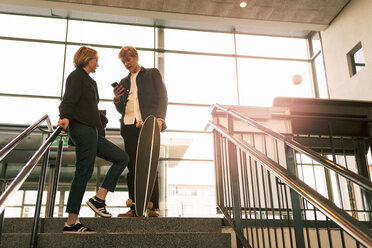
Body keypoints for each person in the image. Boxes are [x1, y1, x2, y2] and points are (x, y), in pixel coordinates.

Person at [58, 46, 129, 232]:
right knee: (84, 172)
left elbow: (88, 106)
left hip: (92, 131)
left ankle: (99, 198)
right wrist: (65, 116)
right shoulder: (76, 76)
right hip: (81, 128)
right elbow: (69, 99)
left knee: (122, 158)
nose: (97, 64)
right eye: (95, 60)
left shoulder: (90, 81)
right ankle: (71, 222)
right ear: (86, 59)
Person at [113, 46, 168, 217]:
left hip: (148, 124)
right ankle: (135, 207)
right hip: (128, 125)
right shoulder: (123, 81)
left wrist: (160, 118)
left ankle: (154, 207)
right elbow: (120, 108)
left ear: (136, 57)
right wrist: (116, 99)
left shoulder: (152, 73)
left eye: (128, 60)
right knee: (132, 166)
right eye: (123, 62)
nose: (126, 64)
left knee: (150, 163)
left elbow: (162, 96)